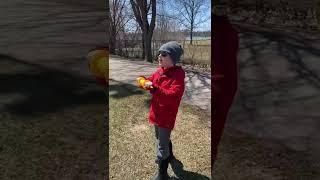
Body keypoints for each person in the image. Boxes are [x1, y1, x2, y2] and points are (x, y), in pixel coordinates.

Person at [143, 41, 185, 180]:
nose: (160, 56)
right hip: (156, 114)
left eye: (164, 54)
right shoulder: (159, 71)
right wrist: (144, 81)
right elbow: (151, 81)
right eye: (159, 53)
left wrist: (154, 88)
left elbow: (172, 96)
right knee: (161, 138)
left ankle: (162, 175)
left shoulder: (177, 76)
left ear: (173, 58)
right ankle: (170, 156)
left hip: (166, 117)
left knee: (162, 146)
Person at [212, 2, 239, 174]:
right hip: (225, 89)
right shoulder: (230, 31)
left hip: (220, 90)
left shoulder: (224, 31)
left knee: (212, 140)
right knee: (213, 141)